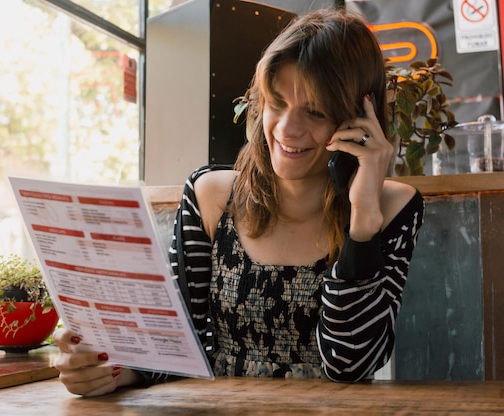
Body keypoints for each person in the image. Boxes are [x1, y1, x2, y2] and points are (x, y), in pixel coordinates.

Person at [53, 7, 424, 397]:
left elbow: (350, 365)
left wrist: (362, 220)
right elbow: (181, 347)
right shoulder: (211, 195)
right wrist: (109, 370)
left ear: (356, 116)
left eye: (314, 111)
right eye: (277, 103)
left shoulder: (394, 208)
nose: (286, 129)